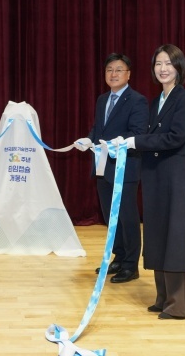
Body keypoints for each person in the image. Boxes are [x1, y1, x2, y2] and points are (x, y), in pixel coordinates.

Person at [122, 44, 185, 319]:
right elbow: (149, 138)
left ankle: (179, 306)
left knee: (176, 238)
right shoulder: (156, 102)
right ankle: (163, 298)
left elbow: (175, 137)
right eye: (158, 64)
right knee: (158, 236)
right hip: (156, 178)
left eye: (168, 63)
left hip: (176, 181)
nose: (163, 69)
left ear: (179, 67)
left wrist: (136, 142)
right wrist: (124, 142)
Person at [75, 53, 149, 283]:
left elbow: (138, 133)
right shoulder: (102, 99)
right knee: (110, 216)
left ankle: (131, 265)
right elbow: (98, 128)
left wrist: (117, 142)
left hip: (124, 168)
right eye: (109, 70)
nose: (113, 74)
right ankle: (119, 256)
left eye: (119, 70)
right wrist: (88, 139)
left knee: (127, 217)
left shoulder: (137, 100)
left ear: (128, 74)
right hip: (102, 166)